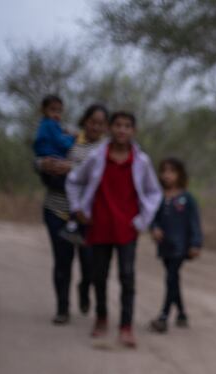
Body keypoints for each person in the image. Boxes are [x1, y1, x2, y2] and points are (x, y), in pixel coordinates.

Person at [66, 111, 162, 347]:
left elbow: (153, 192)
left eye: (127, 126)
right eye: (117, 125)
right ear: (110, 128)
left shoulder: (141, 161)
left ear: (133, 131)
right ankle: (101, 318)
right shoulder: (97, 156)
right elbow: (74, 180)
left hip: (127, 229)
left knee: (127, 277)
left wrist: (142, 220)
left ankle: (126, 327)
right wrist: (78, 207)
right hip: (99, 225)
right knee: (100, 275)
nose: (122, 130)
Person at [38, 103, 109, 325]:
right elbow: (40, 157)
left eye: (100, 123)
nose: (95, 126)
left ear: (105, 127)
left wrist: (73, 168)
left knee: (90, 263)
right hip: (58, 210)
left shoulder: (107, 149)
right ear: (84, 121)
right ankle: (62, 308)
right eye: (92, 121)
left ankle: (85, 286)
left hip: (88, 217)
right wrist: (44, 164)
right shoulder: (67, 140)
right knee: (62, 261)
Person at [148, 157, 203, 333]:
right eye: (164, 171)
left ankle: (163, 316)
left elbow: (194, 223)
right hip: (165, 246)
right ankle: (181, 314)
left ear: (180, 174)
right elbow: (153, 219)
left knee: (171, 277)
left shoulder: (187, 198)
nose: (167, 175)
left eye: (172, 171)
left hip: (181, 246)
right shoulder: (158, 197)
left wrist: (195, 244)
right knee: (173, 279)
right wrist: (154, 229)